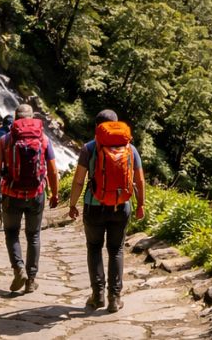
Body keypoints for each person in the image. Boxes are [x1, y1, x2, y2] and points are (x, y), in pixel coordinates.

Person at [68, 110, 145, 313]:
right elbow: (139, 180)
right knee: (116, 250)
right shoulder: (130, 148)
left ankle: (98, 295)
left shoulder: (89, 148)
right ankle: (114, 298)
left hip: (94, 206)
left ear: (97, 127)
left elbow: (78, 180)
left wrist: (72, 204)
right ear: (116, 125)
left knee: (94, 248)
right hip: (121, 206)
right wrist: (141, 204)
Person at [0, 104, 59, 293]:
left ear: (16, 119)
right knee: (33, 235)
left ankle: (19, 269)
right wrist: (55, 193)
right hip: (36, 194)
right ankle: (31, 280)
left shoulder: (5, 140)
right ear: (32, 117)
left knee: (11, 233)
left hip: (10, 194)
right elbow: (52, 169)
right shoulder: (43, 139)